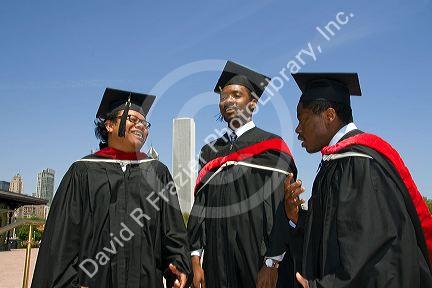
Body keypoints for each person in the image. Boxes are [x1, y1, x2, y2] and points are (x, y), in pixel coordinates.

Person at [32, 88, 191, 288]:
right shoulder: (82, 171)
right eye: (133, 119)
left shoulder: (157, 172)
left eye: (144, 123)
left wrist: (178, 264)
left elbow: (173, 231)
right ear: (109, 125)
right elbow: (63, 240)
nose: (140, 125)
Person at [284, 73, 432, 287]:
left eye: (302, 118)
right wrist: (296, 216)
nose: (298, 129)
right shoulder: (337, 162)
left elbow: (371, 252)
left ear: (329, 115)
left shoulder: (358, 164)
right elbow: (333, 235)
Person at [187, 61, 298, 288]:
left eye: (236, 95)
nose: (228, 101)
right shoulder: (210, 152)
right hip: (217, 262)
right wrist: (196, 260)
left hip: (259, 260)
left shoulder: (272, 147)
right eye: (223, 97)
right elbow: (200, 209)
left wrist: (272, 262)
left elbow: (283, 211)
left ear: (253, 103)